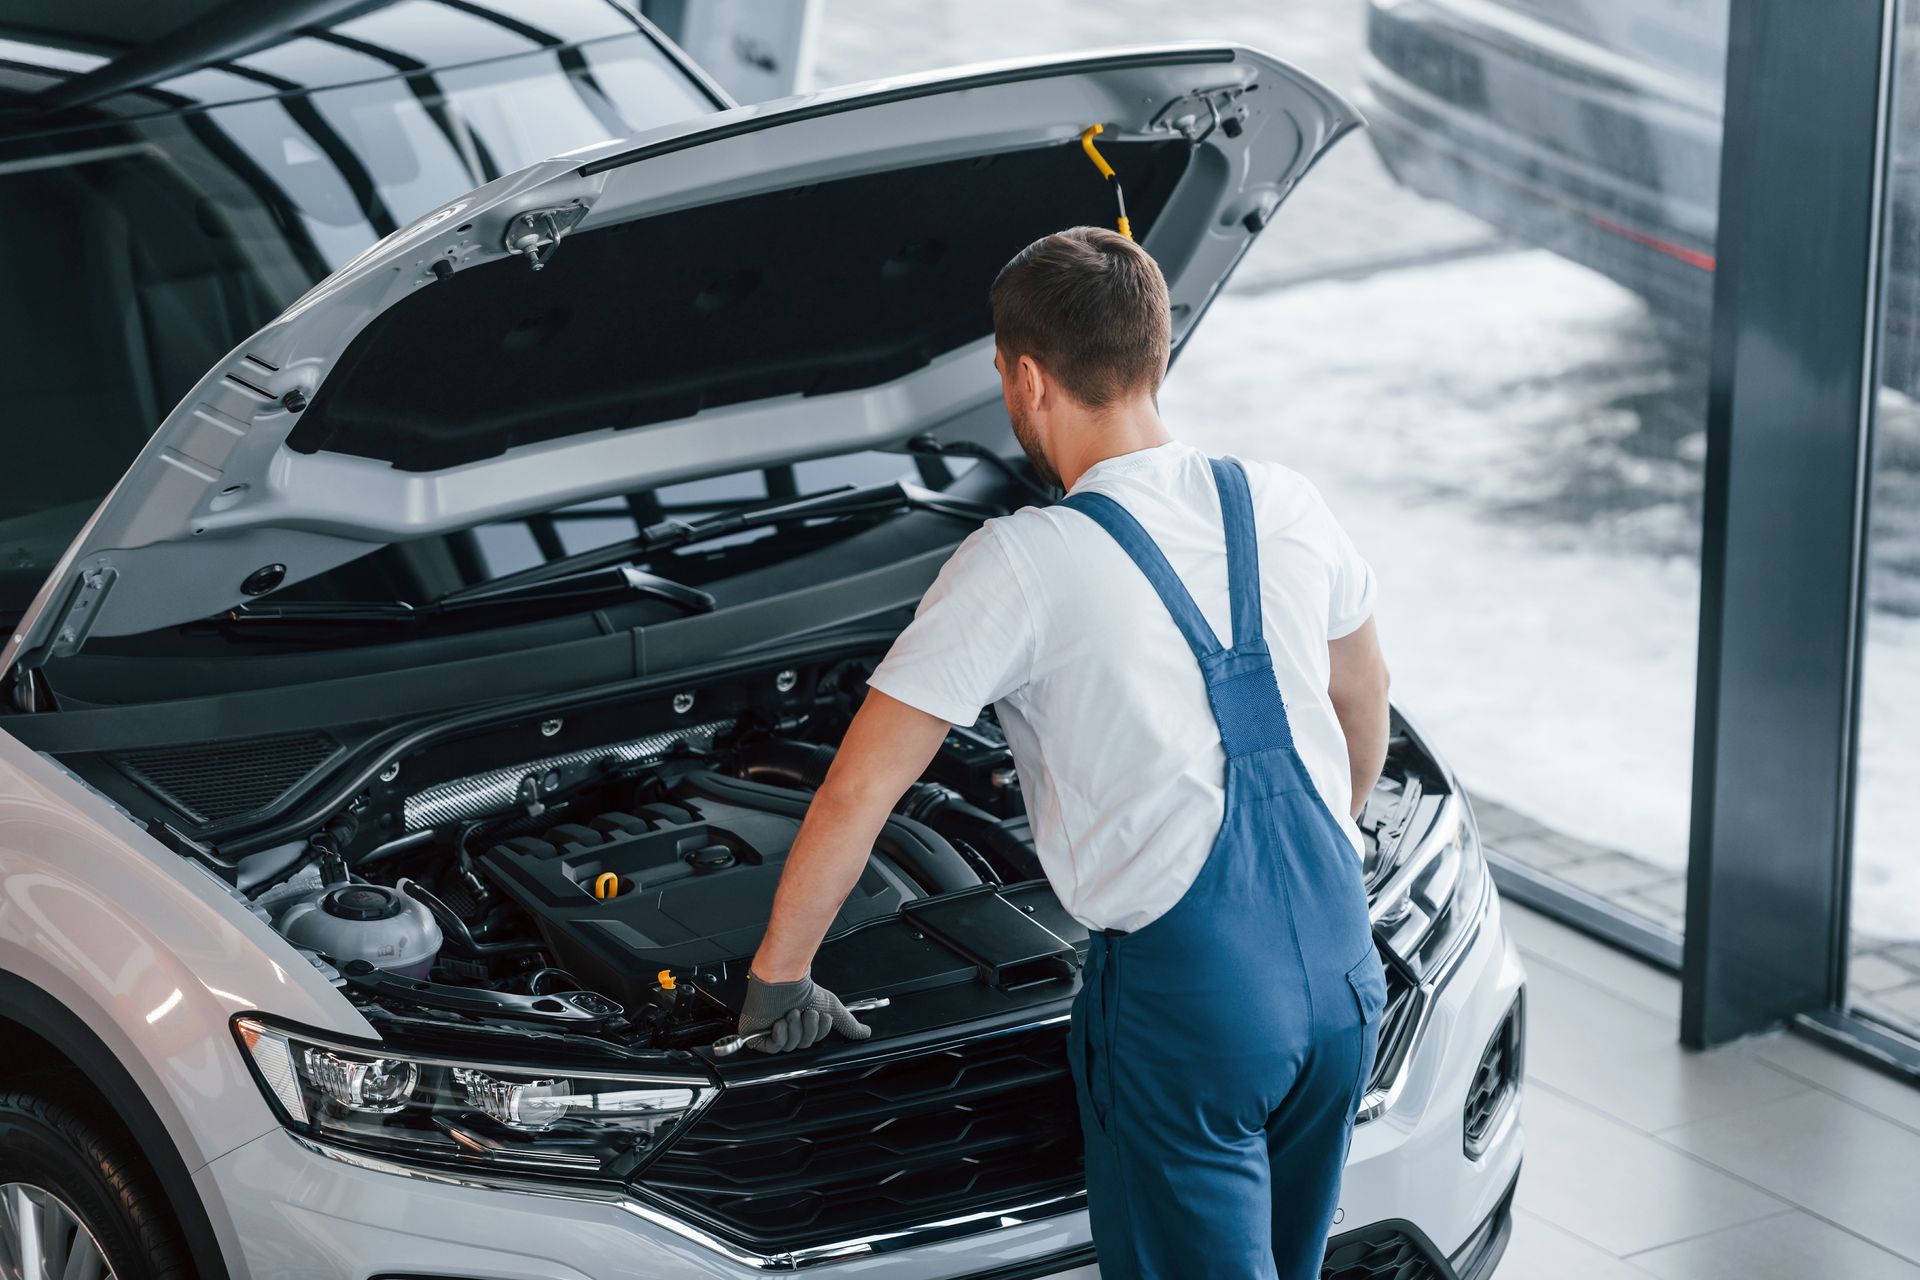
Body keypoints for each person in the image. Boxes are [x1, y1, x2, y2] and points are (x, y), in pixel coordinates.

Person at [736, 225, 1391, 1279]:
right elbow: (1364, 695)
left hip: (1196, 1007)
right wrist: (1329, 849)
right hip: (1342, 969)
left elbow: (860, 787)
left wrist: (779, 979)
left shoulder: (1022, 562)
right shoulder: (1282, 498)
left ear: (1028, 380)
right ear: (1154, 354)